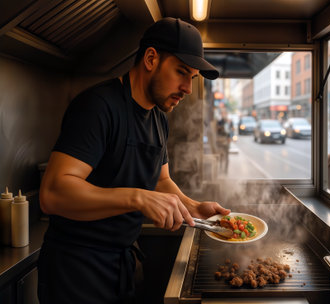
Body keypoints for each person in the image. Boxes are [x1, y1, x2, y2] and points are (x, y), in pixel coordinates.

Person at [37, 17, 230, 304]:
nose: (188, 88)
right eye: (181, 72)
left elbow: (161, 181)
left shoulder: (158, 120)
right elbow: (52, 194)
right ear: (151, 58)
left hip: (120, 266)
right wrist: (138, 198)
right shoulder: (98, 107)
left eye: (192, 78)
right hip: (76, 271)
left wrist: (194, 208)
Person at [216, 109, 233, 173]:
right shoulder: (219, 122)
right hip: (220, 140)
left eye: (225, 113)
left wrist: (230, 137)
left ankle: (225, 170)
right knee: (220, 155)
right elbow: (217, 131)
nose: (224, 115)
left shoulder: (229, 122)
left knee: (226, 155)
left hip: (226, 140)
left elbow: (231, 131)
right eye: (222, 113)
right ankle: (220, 168)